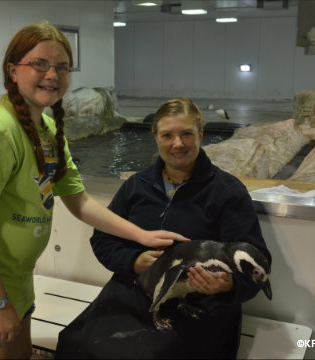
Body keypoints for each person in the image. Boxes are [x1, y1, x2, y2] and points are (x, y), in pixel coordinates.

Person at [0, 23, 187, 360]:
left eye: (62, 66)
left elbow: (79, 201)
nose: (52, 74)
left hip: (17, 279)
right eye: (39, 64)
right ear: (13, 70)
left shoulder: (47, 128)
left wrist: (142, 235)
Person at [55, 97, 272, 359]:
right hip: (133, 293)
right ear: (155, 138)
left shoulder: (227, 192)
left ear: (201, 135)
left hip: (199, 306)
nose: (177, 144)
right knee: (74, 344)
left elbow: (258, 259)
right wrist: (133, 261)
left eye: (186, 134)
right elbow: (102, 239)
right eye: (167, 135)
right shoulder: (137, 186)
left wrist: (225, 285)